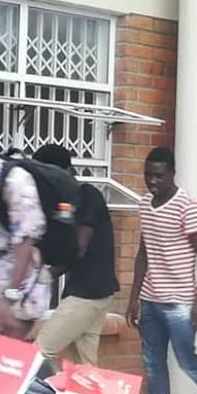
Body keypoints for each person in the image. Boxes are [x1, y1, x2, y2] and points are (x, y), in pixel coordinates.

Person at [126, 147, 197, 394]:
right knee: (153, 363)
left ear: (172, 173)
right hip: (150, 300)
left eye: (159, 175)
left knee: (187, 361)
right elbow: (144, 252)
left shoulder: (186, 206)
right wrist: (133, 298)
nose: (152, 181)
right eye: (148, 175)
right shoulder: (144, 204)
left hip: (180, 302)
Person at [33, 145, 119, 368]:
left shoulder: (87, 196)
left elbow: (77, 248)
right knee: (83, 369)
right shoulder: (63, 202)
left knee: (38, 354)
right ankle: (80, 392)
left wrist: (48, 273)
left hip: (88, 292)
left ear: (65, 171)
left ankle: (48, 390)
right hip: (89, 291)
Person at [0, 154, 50, 338]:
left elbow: (26, 239)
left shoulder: (15, 180)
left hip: (15, 297)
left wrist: (10, 297)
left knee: (9, 353)